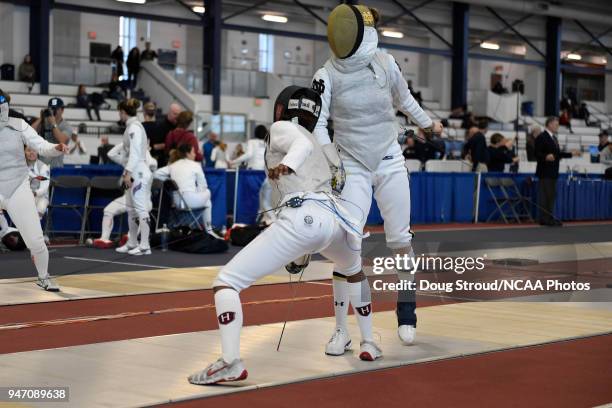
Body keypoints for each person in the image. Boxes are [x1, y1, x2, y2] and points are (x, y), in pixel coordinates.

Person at [187, 86, 381, 386]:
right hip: (333, 220)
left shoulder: (281, 128)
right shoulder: (319, 142)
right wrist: (301, 252)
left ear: (281, 109)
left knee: (226, 282)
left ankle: (230, 362)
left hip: (304, 217)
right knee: (353, 271)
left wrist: (285, 165)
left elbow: (298, 152)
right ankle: (369, 342)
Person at [311, 4, 443, 349]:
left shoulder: (385, 63)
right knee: (348, 244)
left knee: (400, 238)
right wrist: (333, 162)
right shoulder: (326, 74)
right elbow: (318, 125)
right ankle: (342, 330)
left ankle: (407, 308)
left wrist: (427, 123)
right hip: (351, 163)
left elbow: (404, 99)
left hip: (388, 157)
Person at [0, 90, 67, 290]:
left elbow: (41, 146)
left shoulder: (19, 125)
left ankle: (44, 276)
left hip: (17, 186)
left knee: (36, 239)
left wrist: (57, 148)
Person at [93, 142, 157, 249]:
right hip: (127, 199)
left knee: (140, 213)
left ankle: (131, 237)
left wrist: (144, 148)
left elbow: (151, 164)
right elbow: (111, 154)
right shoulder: (128, 162)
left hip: (143, 201)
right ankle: (104, 239)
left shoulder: (151, 161)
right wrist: (126, 142)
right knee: (108, 210)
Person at [114, 99, 153, 255]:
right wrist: (127, 171)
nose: (120, 115)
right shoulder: (131, 126)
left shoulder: (134, 128)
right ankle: (132, 242)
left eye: (120, 112)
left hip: (139, 172)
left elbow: (136, 153)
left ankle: (145, 246)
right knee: (131, 209)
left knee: (141, 208)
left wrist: (128, 172)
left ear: (123, 112)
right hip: (134, 172)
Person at [154, 143, 214, 234]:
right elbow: (203, 187)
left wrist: (168, 180)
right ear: (187, 153)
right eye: (193, 152)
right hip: (191, 201)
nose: (195, 154)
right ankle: (209, 231)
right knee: (208, 195)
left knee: (204, 196)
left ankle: (207, 230)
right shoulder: (196, 165)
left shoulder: (172, 166)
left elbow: (155, 174)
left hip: (177, 202)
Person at [535, 117, 574, 227]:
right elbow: (537, 153)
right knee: (545, 196)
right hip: (545, 171)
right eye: (556, 124)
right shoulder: (542, 137)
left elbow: (557, 154)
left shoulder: (554, 138)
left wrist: (571, 154)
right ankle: (544, 218)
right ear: (549, 124)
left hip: (553, 171)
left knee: (551, 196)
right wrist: (545, 156)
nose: (557, 126)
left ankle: (549, 217)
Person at [31, 97, 73, 168]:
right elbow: (29, 132)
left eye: (55, 109)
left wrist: (53, 123)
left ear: (62, 110)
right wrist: (41, 118)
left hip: (56, 167)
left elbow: (62, 140)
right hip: (41, 166)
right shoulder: (45, 122)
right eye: (51, 109)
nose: (53, 111)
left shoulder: (66, 126)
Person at [149, 103, 181, 167]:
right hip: (162, 162)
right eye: (175, 114)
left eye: (179, 115)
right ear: (169, 113)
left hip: (176, 162)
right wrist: (169, 145)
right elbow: (154, 146)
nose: (177, 117)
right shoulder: (159, 126)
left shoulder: (179, 126)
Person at [24, 146, 51, 220]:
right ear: (24, 152)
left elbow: (44, 187)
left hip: (40, 197)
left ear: (37, 152)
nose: (31, 153)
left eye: (34, 150)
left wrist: (34, 193)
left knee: (41, 207)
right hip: (24, 197)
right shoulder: (20, 167)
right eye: (29, 150)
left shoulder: (43, 167)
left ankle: (33, 229)